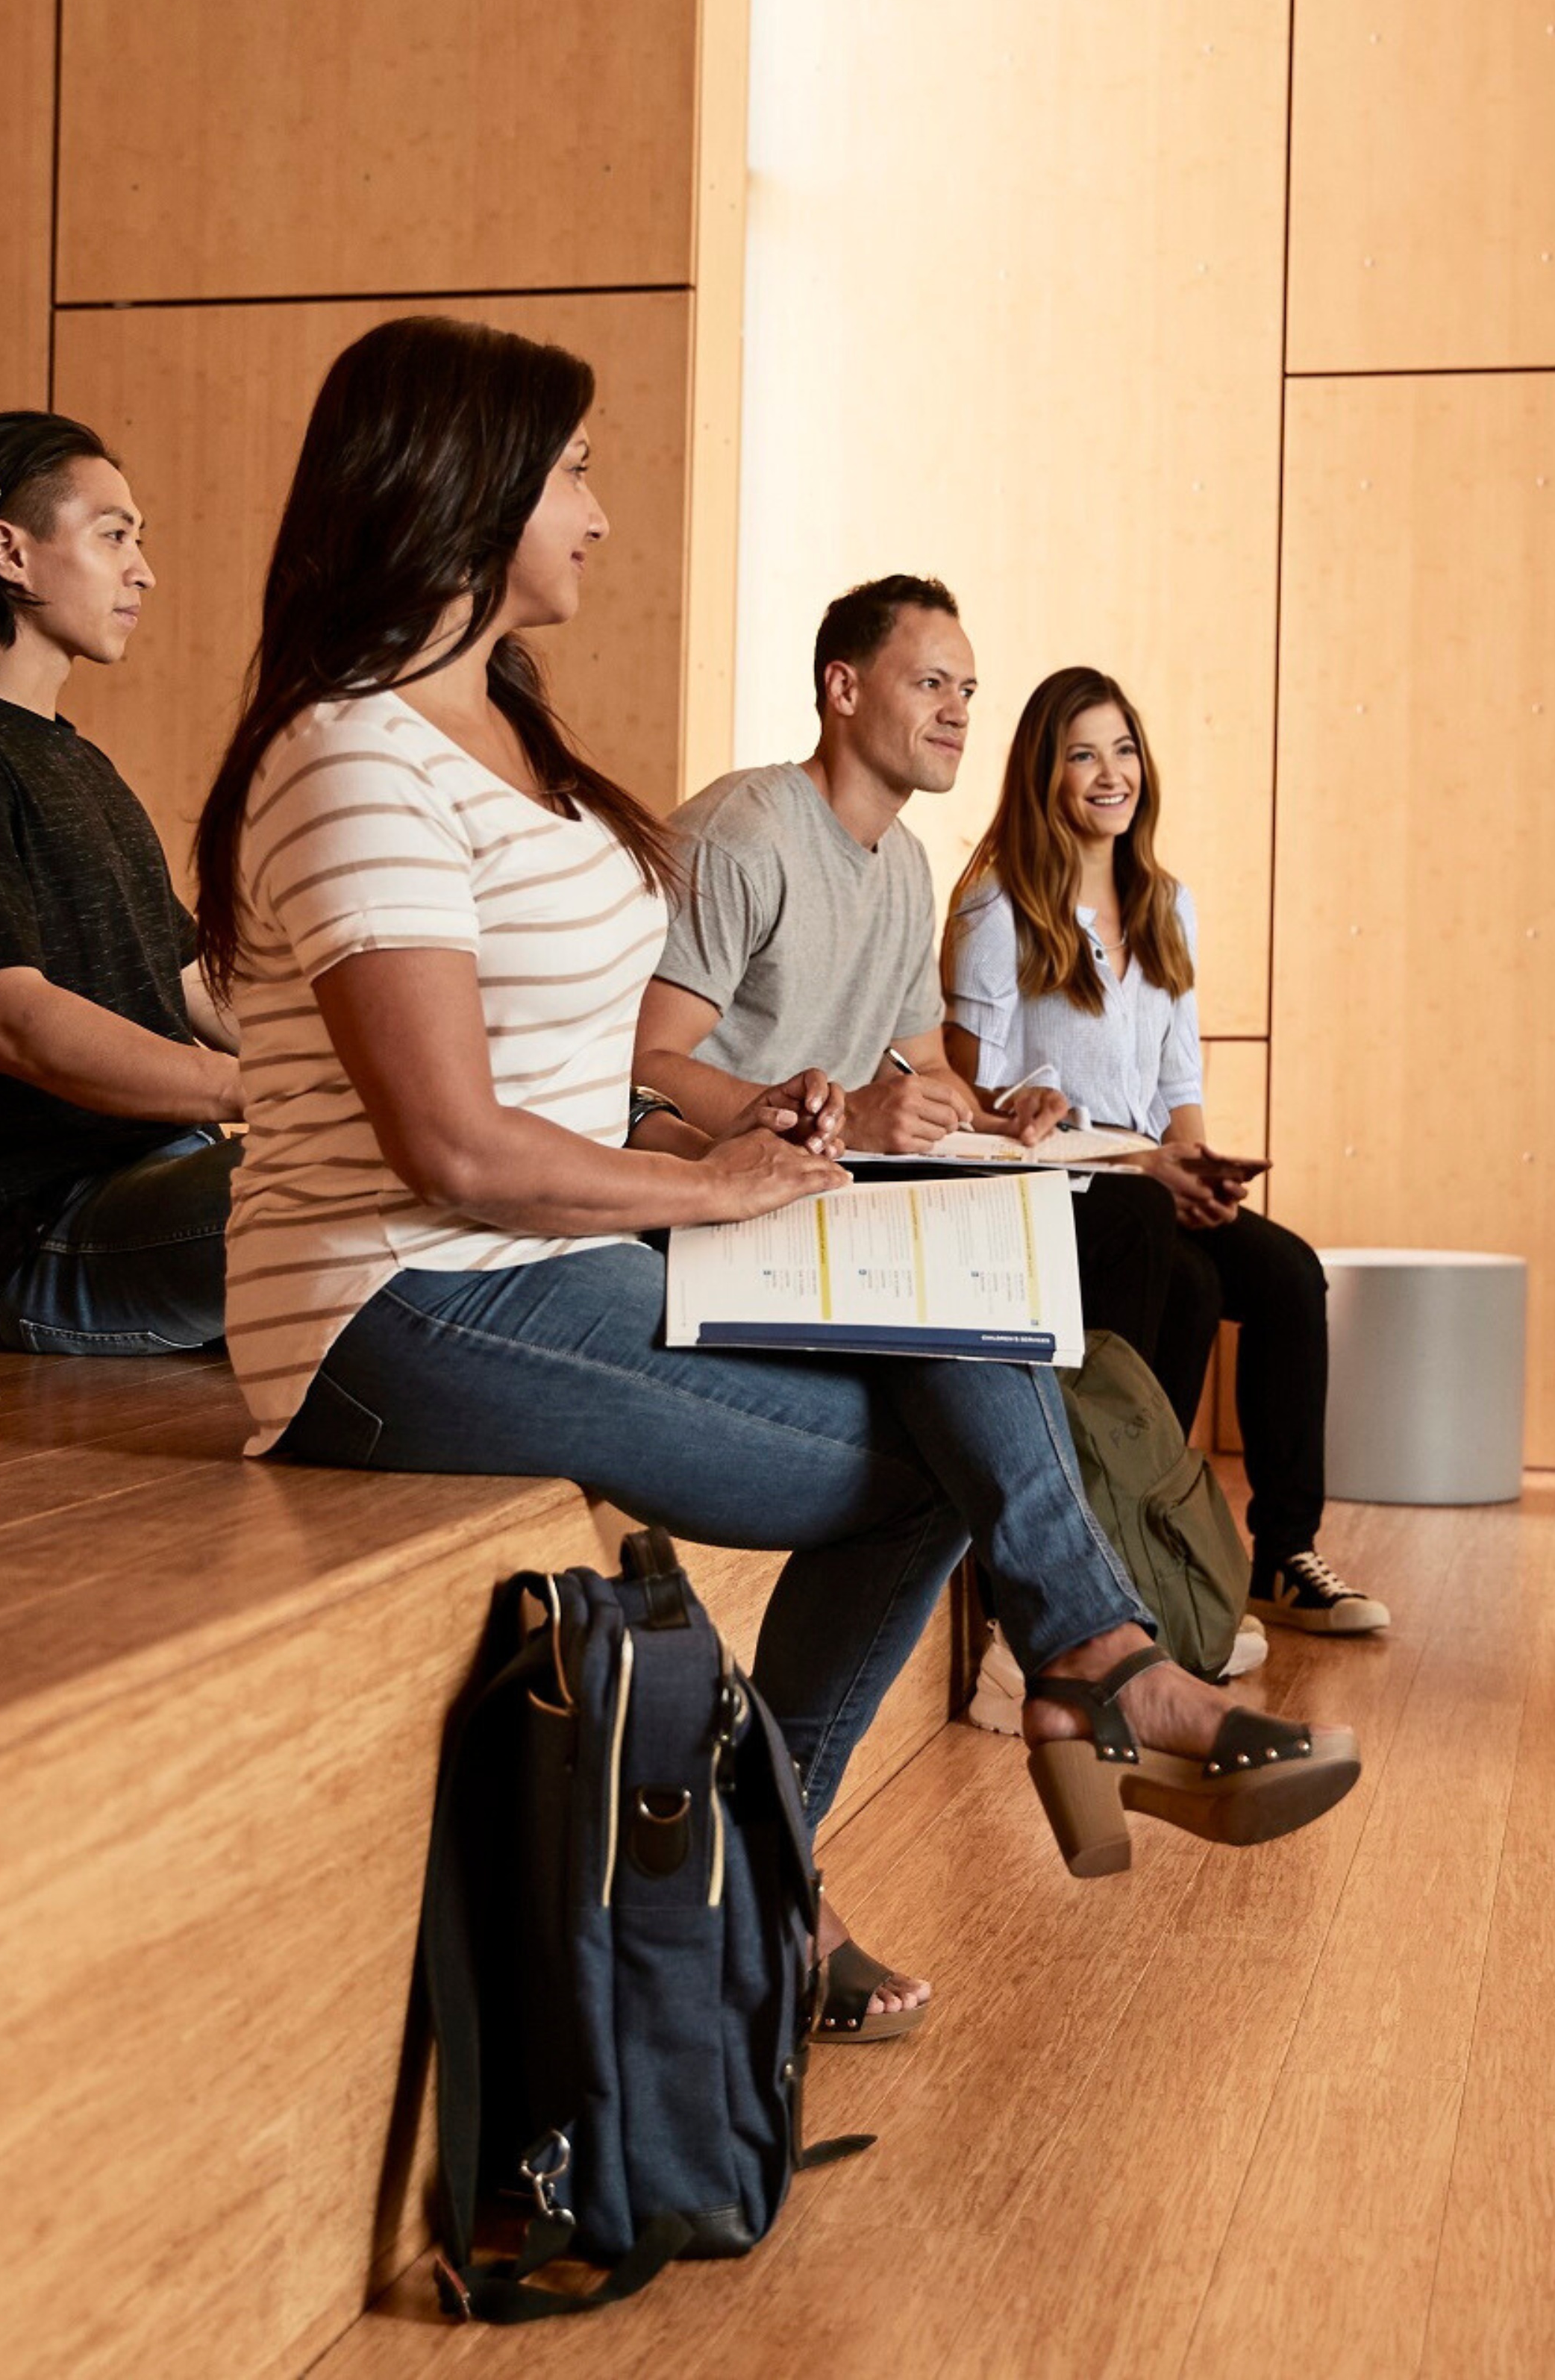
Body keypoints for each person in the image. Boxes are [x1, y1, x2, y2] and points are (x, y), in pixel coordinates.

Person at [197, 317, 1361, 2036]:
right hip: (392, 1306)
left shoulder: (501, 737)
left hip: (545, 1255)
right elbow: (444, 1143)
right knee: (926, 1455)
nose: (599, 511)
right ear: (461, 484)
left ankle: (1012, 1717)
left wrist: (742, 1150)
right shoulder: (351, 754)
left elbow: (576, 1079)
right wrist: (721, 1182)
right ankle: (1028, 1711)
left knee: (963, 1330)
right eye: (573, 470)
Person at [943, 666, 1387, 1639]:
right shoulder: (995, 910)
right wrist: (1128, 1164)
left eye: (1124, 748)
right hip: (1056, 1190)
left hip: (1153, 1180)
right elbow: (964, 1102)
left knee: (1284, 1272)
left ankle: (1280, 1556)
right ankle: (1136, 1549)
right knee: (1180, 1283)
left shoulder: (1166, 905)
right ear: (1043, 776)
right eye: (1082, 754)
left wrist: (1199, 1173)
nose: (1112, 773)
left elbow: (1179, 1082)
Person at [0, 411, 240, 1355]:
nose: (144, 570)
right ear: (8, 553)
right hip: (54, 1241)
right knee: (401, 1177)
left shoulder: (80, 764)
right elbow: (12, 1023)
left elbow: (191, 990)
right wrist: (258, 1093)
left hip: (166, 1189)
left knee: (470, 1155)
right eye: (115, 536)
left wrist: (363, 1075)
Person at [625, 574, 1074, 1162]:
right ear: (844, 690)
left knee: (1120, 1214)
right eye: (931, 684)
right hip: (710, 1187)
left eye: (967, 691)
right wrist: (844, 1120)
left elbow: (928, 1062)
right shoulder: (744, 835)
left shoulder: (907, 863)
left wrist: (1001, 1123)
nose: (958, 714)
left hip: (829, 1180)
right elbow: (641, 1066)